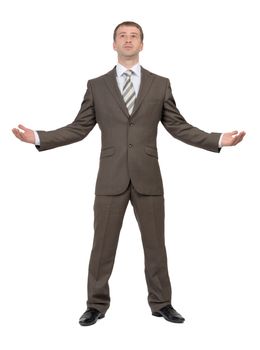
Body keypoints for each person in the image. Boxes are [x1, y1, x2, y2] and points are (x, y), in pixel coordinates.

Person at [12, 21, 245, 326]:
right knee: (102, 246)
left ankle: (162, 303)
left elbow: (178, 126)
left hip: (148, 176)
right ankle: (96, 305)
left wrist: (218, 139)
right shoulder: (96, 85)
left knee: (155, 245)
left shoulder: (160, 84)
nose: (128, 39)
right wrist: (39, 137)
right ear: (114, 44)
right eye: (122, 35)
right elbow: (79, 128)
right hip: (110, 178)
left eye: (134, 36)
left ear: (141, 44)